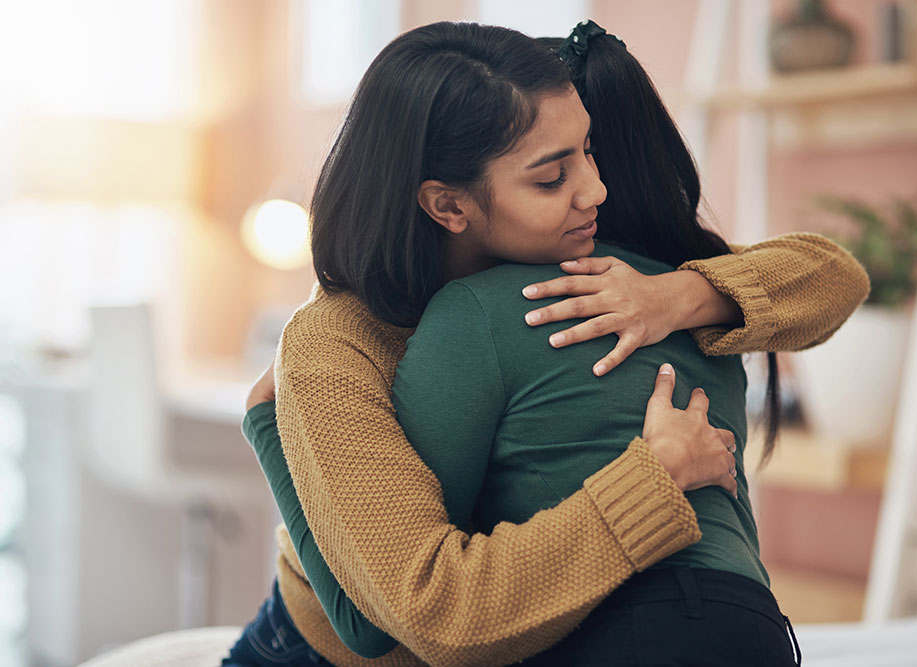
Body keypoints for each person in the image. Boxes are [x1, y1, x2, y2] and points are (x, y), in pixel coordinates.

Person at [225, 21, 867, 667]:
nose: (596, 189)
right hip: (323, 650)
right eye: (551, 177)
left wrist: (676, 295)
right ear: (449, 205)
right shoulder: (335, 345)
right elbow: (410, 615)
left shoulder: (592, 274)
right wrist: (655, 478)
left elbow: (833, 277)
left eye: (588, 151)